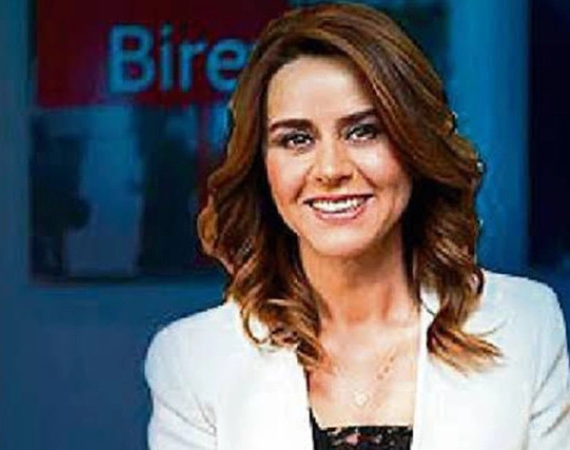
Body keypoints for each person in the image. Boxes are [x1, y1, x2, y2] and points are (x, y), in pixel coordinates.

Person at [143, 3, 570, 449]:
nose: (331, 169)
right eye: (296, 139)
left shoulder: (526, 325)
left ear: (414, 147)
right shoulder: (193, 360)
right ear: (261, 167)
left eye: (363, 131)